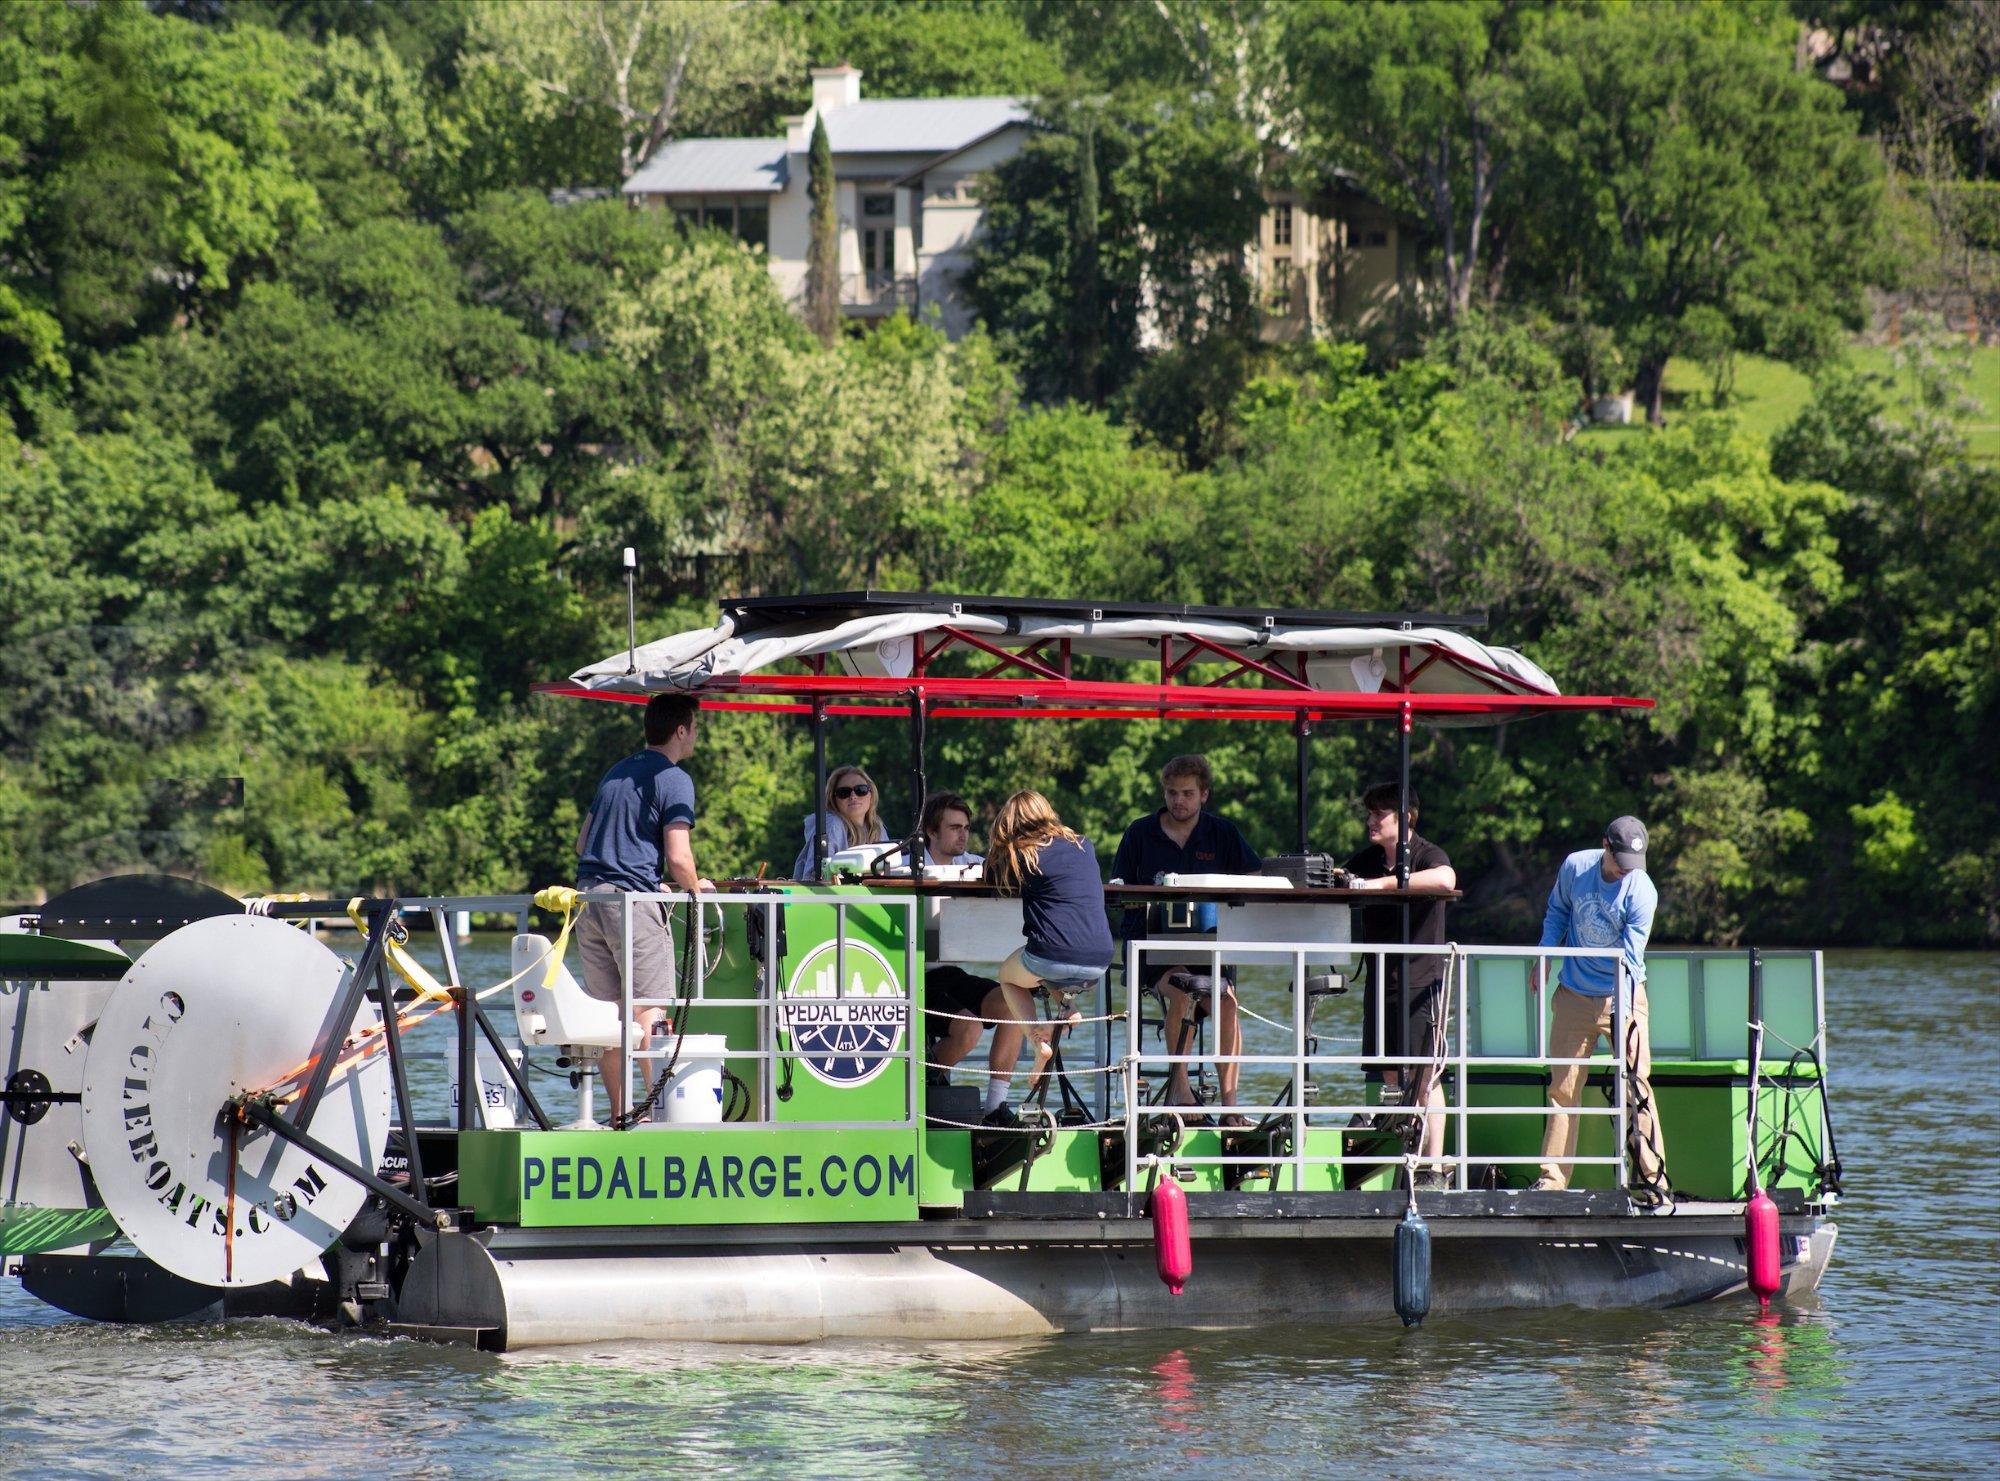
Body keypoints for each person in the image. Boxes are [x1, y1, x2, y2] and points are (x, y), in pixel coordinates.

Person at [574, 692, 712, 1123]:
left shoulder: (617, 772)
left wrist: (656, 883)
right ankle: (655, 1113)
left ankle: (620, 1115)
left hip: (589, 900)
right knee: (650, 1010)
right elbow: (679, 856)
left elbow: (583, 844)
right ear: (681, 730)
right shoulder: (674, 778)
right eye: (694, 728)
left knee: (611, 1015)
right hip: (631, 905)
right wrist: (694, 889)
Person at [1110, 755, 1261, 1123]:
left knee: (1226, 1002)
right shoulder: (1139, 832)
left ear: (1204, 795)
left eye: (1188, 794)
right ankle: (1181, 1089)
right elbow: (1116, 888)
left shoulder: (1222, 833)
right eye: (1172, 793)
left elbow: (1254, 874)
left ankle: (1230, 1107)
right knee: (1182, 987)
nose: (1178, 800)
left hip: (1209, 948)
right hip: (1150, 947)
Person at [1529, 816, 1669, 1198]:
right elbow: (1557, 911)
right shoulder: (1576, 866)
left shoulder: (1642, 891)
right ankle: (1552, 1180)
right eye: (1620, 861)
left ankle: (1652, 1178)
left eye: (1632, 865)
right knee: (1563, 1089)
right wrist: (1544, 955)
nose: (1626, 871)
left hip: (1622, 994)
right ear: (1605, 845)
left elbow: (1631, 956)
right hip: (1573, 993)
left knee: (1636, 1085)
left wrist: (1621, 1012)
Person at [1342, 783, 1457, 1180]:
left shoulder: (1427, 853)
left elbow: (1445, 880)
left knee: (1425, 1075)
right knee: (1390, 1073)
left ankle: (1434, 1165)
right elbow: (1340, 876)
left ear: (1405, 817)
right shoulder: (1369, 859)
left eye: (1380, 814)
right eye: (1369, 813)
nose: (1371, 821)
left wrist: (1382, 885)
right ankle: (1405, 1157)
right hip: (1380, 980)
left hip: (1421, 981)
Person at [982, 790, 1115, 1124]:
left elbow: (990, 876)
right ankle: (1068, 1007)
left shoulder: (1021, 851)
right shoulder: (1083, 845)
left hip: (1052, 956)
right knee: (1053, 964)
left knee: (1009, 976)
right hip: (1100, 960)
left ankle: (1036, 1039)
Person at [916, 793, 1019, 1085]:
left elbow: (1005, 871)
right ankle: (919, 1087)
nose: (963, 835)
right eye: (954, 828)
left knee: (1013, 1004)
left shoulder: (972, 864)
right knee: (969, 1029)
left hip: (949, 974)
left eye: (966, 828)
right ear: (931, 832)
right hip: (912, 977)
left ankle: (995, 1107)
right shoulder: (906, 867)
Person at [791, 764, 889, 879]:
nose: (853, 796)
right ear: (833, 799)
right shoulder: (832, 824)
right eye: (844, 792)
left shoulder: (876, 827)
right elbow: (817, 877)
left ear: (871, 794)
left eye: (860, 790)